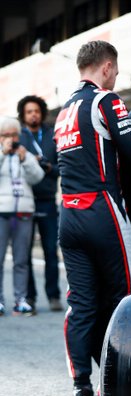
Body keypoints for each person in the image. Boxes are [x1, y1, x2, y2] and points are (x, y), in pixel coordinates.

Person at [55, 40, 131, 396]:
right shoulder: (105, 101)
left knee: (81, 304)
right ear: (108, 67)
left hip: (69, 214)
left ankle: (82, 387)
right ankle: (129, 383)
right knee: (130, 295)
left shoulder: (64, 110)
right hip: (103, 209)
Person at [18, 95, 63, 313]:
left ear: (42, 112)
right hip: (25, 203)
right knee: (24, 253)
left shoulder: (53, 134)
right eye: (29, 112)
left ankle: (54, 296)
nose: (33, 115)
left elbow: (61, 168)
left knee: (50, 251)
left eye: (36, 111)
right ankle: (30, 297)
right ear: (23, 115)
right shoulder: (18, 136)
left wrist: (45, 167)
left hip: (47, 201)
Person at [0, 117, 44, 317]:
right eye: (6, 135)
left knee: (21, 260)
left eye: (14, 134)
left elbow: (38, 177)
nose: (11, 138)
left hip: (24, 212)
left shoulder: (25, 154)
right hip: (2, 212)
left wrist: (25, 158)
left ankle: (21, 300)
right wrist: (3, 153)